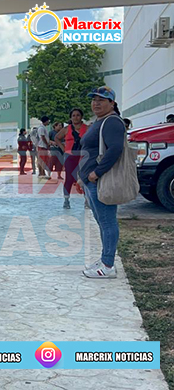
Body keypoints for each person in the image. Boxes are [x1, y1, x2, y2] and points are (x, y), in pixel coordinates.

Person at [79, 86, 126, 279]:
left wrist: (96, 173)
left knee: (107, 222)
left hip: (100, 180)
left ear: (112, 103)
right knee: (102, 222)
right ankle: (105, 259)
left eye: (101, 100)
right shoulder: (100, 121)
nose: (96, 103)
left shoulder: (112, 122)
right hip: (91, 180)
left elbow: (115, 149)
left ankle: (107, 266)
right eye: (94, 99)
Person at [56, 108, 88, 209]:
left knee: (85, 177)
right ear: (70, 117)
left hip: (83, 156)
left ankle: (87, 200)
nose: (75, 117)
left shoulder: (87, 128)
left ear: (81, 117)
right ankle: (66, 200)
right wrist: (63, 148)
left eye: (78, 115)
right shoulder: (67, 129)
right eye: (73, 115)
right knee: (69, 178)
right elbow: (57, 138)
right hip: (70, 156)